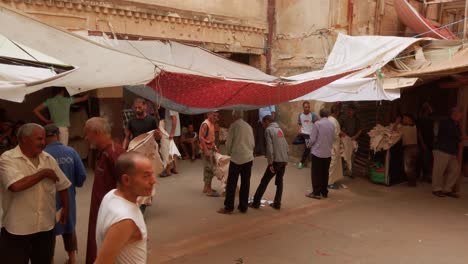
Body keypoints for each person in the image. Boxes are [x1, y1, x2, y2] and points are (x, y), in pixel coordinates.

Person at [0, 123, 71, 263]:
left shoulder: (48, 159)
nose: (43, 143)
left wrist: (66, 209)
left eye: (44, 139)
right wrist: (43, 173)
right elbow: (15, 185)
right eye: (39, 139)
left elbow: (63, 185)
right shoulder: (7, 159)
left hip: (45, 227)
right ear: (25, 139)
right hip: (17, 228)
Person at [95, 152, 156, 264]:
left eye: (152, 174)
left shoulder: (112, 195)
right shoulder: (125, 220)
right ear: (126, 180)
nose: (153, 181)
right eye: (146, 176)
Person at [43, 124, 86, 264]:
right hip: (68, 198)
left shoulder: (41, 154)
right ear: (59, 135)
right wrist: (75, 184)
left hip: (47, 200)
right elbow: (81, 176)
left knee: (48, 231)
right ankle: (72, 259)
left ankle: (50, 259)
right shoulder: (70, 152)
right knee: (69, 226)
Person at [85, 117, 125, 264]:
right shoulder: (105, 152)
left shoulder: (114, 153)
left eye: (87, 133)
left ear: (96, 132)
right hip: (101, 210)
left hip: (110, 214)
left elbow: (126, 186)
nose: (86, 137)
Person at [218, 110, 255, 214]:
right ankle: (243, 207)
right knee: (245, 183)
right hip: (248, 158)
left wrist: (229, 152)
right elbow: (252, 143)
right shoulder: (249, 126)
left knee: (231, 183)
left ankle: (229, 207)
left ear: (234, 116)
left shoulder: (234, 126)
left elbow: (229, 143)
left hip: (237, 158)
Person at [250, 115, 289, 210]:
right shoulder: (279, 130)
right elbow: (286, 146)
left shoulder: (268, 130)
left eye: (263, 123)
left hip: (276, 161)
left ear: (267, 121)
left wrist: (270, 163)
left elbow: (269, 148)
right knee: (280, 182)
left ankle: (256, 202)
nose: (262, 125)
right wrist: (286, 159)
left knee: (264, 181)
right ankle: (277, 203)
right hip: (283, 160)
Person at [431, 107, 463, 198]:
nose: (461, 116)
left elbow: (459, 136)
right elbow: (456, 136)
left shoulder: (456, 124)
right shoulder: (446, 122)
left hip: (451, 151)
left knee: (455, 169)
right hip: (442, 149)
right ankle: (436, 189)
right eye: (460, 114)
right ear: (455, 114)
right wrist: (463, 137)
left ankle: (447, 189)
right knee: (439, 170)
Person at [305, 108, 335, 199]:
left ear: (320, 115)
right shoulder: (332, 125)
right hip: (327, 153)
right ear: (328, 115)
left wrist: (308, 144)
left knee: (316, 173)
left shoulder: (317, 124)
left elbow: (313, 139)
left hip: (317, 153)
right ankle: (324, 192)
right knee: (325, 173)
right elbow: (332, 138)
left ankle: (316, 192)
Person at [393, 114, 419, 187]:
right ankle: (413, 182)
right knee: (412, 166)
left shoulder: (405, 127)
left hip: (409, 149)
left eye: (405, 118)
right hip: (415, 148)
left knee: (407, 168)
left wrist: (397, 122)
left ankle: (412, 183)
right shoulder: (414, 126)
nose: (403, 120)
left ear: (409, 119)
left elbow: (393, 129)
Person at [199, 111, 221, 197]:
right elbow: (201, 138)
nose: (216, 117)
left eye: (217, 116)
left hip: (210, 148)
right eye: (214, 115)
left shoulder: (211, 124)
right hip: (206, 149)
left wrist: (214, 147)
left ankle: (206, 187)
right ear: (209, 115)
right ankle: (209, 189)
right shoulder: (205, 124)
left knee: (208, 168)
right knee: (209, 169)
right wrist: (206, 151)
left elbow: (211, 138)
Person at [339, 104, 363, 176]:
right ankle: (342, 171)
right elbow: (338, 128)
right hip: (344, 140)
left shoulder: (357, 119)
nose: (349, 111)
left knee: (352, 156)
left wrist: (355, 137)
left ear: (354, 111)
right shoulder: (343, 118)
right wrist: (344, 135)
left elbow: (360, 130)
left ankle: (350, 172)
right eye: (348, 110)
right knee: (343, 155)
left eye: (351, 110)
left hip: (353, 140)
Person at [296, 101, 319, 169]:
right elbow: (300, 123)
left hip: (311, 134)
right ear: (303, 107)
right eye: (306, 107)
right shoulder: (300, 115)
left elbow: (317, 124)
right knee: (308, 148)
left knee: (309, 148)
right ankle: (302, 162)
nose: (307, 108)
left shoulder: (313, 115)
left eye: (308, 107)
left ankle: (303, 162)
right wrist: (300, 129)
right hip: (304, 134)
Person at [328, 105, 344, 189]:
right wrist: (341, 135)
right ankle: (329, 182)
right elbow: (336, 135)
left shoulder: (328, 119)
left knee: (331, 163)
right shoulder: (334, 122)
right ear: (337, 112)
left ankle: (332, 180)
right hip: (333, 145)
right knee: (332, 164)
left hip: (328, 145)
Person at [417, 102, 434, 182]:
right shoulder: (420, 119)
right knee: (424, 159)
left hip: (430, 141)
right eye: (427, 109)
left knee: (429, 159)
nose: (429, 110)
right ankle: (424, 176)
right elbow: (419, 132)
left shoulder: (430, 119)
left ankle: (426, 176)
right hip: (424, 142)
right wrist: (422, 143)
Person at [163, 108, 181, 175]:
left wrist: (172, 133)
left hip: (172, 133)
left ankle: (168, 170)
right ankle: (175, 168)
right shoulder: (172, 106)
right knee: (173, 151)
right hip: (173, 132)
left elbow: (174, 119)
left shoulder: (170, 107)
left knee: (169, 151)